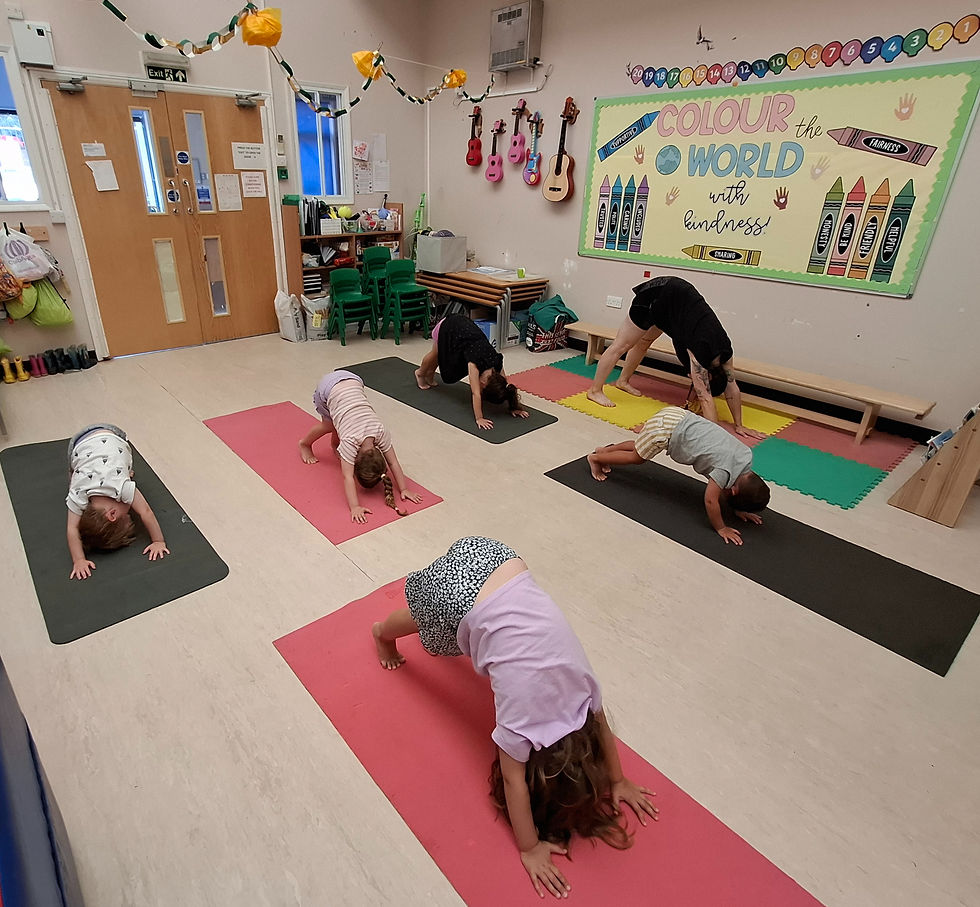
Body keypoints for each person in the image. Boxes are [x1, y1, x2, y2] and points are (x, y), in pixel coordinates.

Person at [371, 537, 658, 897]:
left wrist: (617, 780)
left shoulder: (585, 692)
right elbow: (513, 782)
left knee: (456, 636)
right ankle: (381, 633)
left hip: (502, 561)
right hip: (458, 597)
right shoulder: (520, 727)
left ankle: (413, 618)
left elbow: (599, 725)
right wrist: (530, 846)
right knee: (428, 627)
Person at [586, 276, 765, 440]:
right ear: (709, 374)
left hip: (673, 303)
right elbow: (705, 397)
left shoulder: (725, 351)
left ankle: (622, 381)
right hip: (655, 296)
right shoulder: (700, 355)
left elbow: (732, 387)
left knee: (644, 341)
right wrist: (716, 439)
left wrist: (739, 425)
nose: (693, 383)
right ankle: (595, 390)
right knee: (622, 345)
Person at [587, 406, 770, 546]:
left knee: (640, 446)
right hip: (667, 430)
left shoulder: (745, 456)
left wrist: (739, 508)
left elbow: (734, 487)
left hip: (679, 416)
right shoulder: (725, 472)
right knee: (637, 457)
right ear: (735, 491)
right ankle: (596, 458)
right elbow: (710, 500)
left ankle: (605, 451)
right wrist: (721, 528)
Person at [299, 370, 422, 524]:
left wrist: (404, 489)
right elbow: (347, 477)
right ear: (356, 461)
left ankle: (335, 443)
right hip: (328, 388)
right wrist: (354, 507)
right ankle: (305, 443)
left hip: (353, 380)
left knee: (342, 420)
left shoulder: (380, 431)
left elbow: (393, 463)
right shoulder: (351, 442)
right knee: (329, 425)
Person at [66, 423, 169, 580]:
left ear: (112, 514)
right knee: (75, 474)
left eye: (128, 516)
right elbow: (73, 528)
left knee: (119, 465)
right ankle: (80, 472)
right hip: (79, 444)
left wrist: (158, 541)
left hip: (115, 436)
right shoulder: (78, 492)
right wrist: (79, 559)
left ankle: (125, 470)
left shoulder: (120, 486)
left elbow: (146, 512)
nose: (131, 510)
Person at [414, 313, 529, 430]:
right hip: (448, 326)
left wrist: (514, 407)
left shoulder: (496, 363)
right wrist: (479, 418)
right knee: (436, 353)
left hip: (464, 330)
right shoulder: (475, 363)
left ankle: (430, 375)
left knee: (441, 355)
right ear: (483, 385)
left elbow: (506, 387)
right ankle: (420, 373)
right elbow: (475, 393)